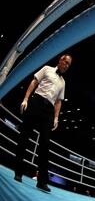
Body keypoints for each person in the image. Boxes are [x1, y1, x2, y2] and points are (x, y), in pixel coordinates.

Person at [13, 54, 72, 192]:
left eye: (69, 64)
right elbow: (34, 82)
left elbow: (58, 101)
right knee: (25, 136)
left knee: (45, 144)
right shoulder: (46, 69)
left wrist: (56, 118)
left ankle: (42, 181)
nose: (67, 65)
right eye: (66, 62)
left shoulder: (63, 82)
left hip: (49, 110)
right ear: (61, 60)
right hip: (36, 102)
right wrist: (26, 98)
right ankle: (18, 172)